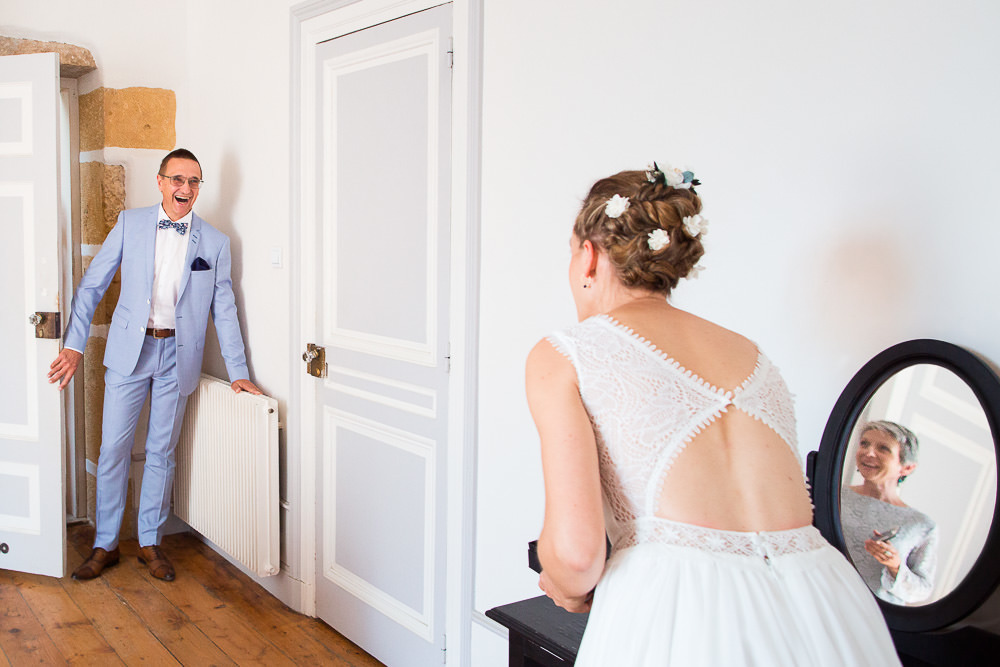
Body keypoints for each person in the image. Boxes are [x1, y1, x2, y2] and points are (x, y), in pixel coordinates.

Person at [525, 164, 900, 665]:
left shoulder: (568, 352)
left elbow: (575, 559)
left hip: (680, 613)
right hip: (825, 604)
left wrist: (562, 584)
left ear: (588, 258)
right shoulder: (752, 355)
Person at [48, 148, 261, 582]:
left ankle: (150, 541)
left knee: (161, 453)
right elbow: (92, 286)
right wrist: (74, 344)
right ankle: (105, 544)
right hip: (131, 352)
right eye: (178, 179)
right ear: (161, 181)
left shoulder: (216, 244)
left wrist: (238, 371)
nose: (186, 189)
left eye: (194, 181)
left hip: (177, 357)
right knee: (113, 451)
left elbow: (225, 309)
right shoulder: (130, 224)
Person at [841, 420, 938, 604]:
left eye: (883, 448)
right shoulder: (833, 495)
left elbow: (922, 590)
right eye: (864, 444)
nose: (868, 453)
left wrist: (895, 566)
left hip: (872, 616)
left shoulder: (922, 525)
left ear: (907, 467)